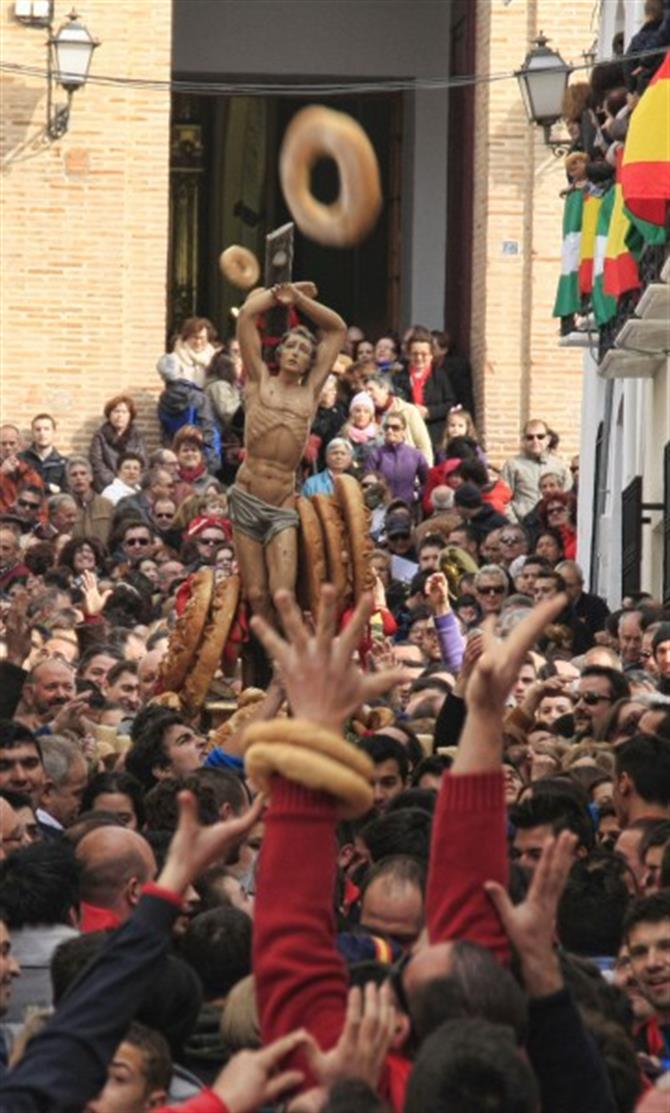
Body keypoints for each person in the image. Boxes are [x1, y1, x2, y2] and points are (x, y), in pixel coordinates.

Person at [229, 282, 346, 623]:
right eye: (290, 346)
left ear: (311, 362)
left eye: (303, 350)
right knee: (257, 595)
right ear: (279, 354)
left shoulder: (310, 392)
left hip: (282, 500)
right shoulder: (258, 381)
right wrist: (277, 293)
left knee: (283, 594)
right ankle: (266, 665)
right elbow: (248, 317)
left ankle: (287, 662)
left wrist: (298, 300)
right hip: (248, 496)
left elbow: (336, 329)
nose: (295, 352)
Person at [502, 419, 571, 522]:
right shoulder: (512, 464)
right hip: (524, 525)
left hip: (552, 525)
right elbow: (503, 498)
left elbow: (568, 498)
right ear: (524, 440)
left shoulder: (560, 466)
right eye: (530, 437)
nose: (535, 441)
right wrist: (515, 524)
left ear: (547, 439)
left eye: (540, 437)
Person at [363, 373, 434, 465]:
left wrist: (425, 472)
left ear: (385, 389)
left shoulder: (408, 411)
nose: (367, 394)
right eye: (365, 391)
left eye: (371, 390)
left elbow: (423, 445)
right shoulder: (366, 414)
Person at [405, 328, 456, 452]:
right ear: (408, 354)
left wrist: (428, 412)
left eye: (424, 354)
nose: (419, 357)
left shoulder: (440, 376)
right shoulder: (399, 377)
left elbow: (450, 404)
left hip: (435, 436)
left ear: (431, 355)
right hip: (408, 435)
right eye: (415, 353)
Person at [364, 413, 429, 505]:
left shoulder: (416, 455)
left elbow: (427, 482)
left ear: (403, 431)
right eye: (387, 427)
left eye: (395, 428)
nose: (390, 431)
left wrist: (416, 495)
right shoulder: (376, 455)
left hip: (409, 507)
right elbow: (367, 484)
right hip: (382, 508)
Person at [89, 395, 148, 493]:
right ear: (109, 414)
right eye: (116, 411)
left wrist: (134, 482)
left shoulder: (138, 436)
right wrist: (117, 482)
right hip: (109, 486)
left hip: (133, 486)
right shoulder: (100, 436)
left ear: (130, 415)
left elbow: (144, 463)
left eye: (124, 412)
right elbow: (97, 463)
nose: (119, 415)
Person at [66, 456, 114, 547]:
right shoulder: (65, 508)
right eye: (74, 474)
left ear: (91, 477)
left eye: (83, 473)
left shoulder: (107, 505)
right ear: (68, 481)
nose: (79, 477)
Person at [20, 414, 68, 495]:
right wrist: (48, 487)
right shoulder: (21, 459)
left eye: (46, 429)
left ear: (54, 432)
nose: (42, 433)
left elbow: (66, 494)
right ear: (33, 433)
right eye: (38, 430)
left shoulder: (64, 463)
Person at [0, 424, 43, 515]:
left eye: (12, 443)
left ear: (19, 445)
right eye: (3, 443)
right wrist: (1, 473)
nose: (7, 447)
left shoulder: (28, 469)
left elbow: (39, 498)